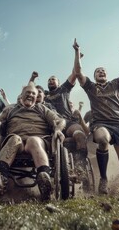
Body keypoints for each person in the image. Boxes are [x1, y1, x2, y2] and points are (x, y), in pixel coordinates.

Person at [74, 39, 119, 195]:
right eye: (98, 71)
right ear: (94, 76)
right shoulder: (91, 87)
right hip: (101, 124)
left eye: (103, 71)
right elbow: (78, 73)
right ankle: (103, 179)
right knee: (102, 139)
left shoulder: (115, 84)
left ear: (106, 75)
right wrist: (77, 52)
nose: (101, 72)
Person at [0, 83, 65, 201]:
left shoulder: (42, 108)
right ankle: (1, 178)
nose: (30, 95)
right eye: (27, 93)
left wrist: (58, 129)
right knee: (14, 139)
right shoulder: (10, 109)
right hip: (17, 141)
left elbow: (61, 120)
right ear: (21, 95)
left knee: (33, 140)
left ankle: (44, 178)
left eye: (33, 93)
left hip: (38, 141)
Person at [43, 40, 88, 182]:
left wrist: (77, 54)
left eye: (53, 79)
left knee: (79, 135)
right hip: (50, 125)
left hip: (68, 123)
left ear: (58, 82)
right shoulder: (43, 95)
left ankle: (80, 169)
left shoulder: (64, 89)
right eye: (49, 80)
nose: (51, 81)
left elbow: (75, 73)